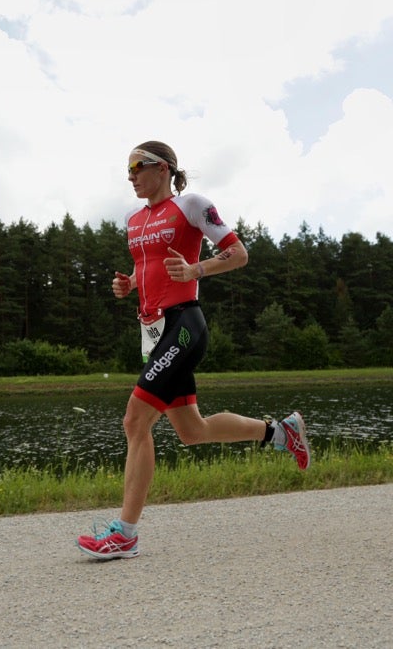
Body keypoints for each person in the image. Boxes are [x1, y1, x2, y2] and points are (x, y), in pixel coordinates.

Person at [76, 140, 311, 560]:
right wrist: (128, 284)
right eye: (126, 169)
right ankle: (280, 431)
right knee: (192, 431)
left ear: (163, 168)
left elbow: (238, 253)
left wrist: (196, 269)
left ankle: (125, 534)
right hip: (153, 332)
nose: (130, 175)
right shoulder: (133, 219)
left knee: (135, 420)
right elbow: (146, 265)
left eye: (137, 166)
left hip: (184, 325)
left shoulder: (191, 206)